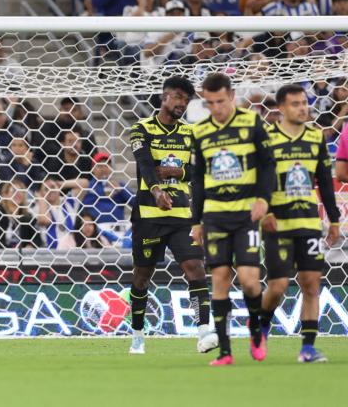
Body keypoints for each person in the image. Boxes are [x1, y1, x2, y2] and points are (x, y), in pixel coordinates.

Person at [191, 73, 276, 366]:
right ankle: (226, 352)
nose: (216, 108)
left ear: (232, 95)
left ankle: (255, 329)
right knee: (220, 279)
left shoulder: (251, 122)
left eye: (221, 101)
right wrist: (196, 220)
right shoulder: (200, 131)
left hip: (244, 213)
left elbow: (267, 165)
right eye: (210, 103)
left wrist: (264, 199)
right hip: (215, 214)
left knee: (251, 282)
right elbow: (198, 179)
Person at [128, 76, 217, 355]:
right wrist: (156, 190)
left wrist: (178, 172)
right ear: (164, 97)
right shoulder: (140, 128)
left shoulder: (190, 133)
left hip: (182, 214)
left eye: (186, 99)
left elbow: (198, 171)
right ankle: (138, 335)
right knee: (142, 276)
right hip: (148, 215)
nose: (182, 103)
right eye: (178, 97)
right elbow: (143, 163)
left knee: (196, 269)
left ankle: (203, 332)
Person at [261, 84, 340, 362]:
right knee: (279, 286)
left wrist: (335, 221)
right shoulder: (267, 138)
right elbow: (258, 181)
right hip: (276, 222)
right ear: (281, 108)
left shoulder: (316, 137)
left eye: (304, 103)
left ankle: (307, 348)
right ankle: (262, 323)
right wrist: (265, 212)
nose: (302, 107)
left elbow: (325, 183)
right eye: (295, 104)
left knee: (310, 283)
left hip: (308, 220)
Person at [0, 179, 42, 249]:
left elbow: (37, 240)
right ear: (5, 194)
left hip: (22, 257)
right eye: (14, 191)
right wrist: (11, 250)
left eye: (21, 191)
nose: (18, 194)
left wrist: (30, 246)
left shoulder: (28, 217)